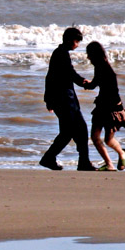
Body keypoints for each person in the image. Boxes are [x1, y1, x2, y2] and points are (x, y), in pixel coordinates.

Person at [40, 27, 96, 171]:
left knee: (78, 130)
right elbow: (69, 73)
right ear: (71, 40)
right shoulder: (61, 54)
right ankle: (50, 158)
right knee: (71, 131)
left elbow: (50, 77)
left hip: (65, 99)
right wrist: (84, 82)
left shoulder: (60, 53)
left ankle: (82, 162)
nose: (77, 45)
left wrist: (48, 99)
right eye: (77, 41)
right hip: (64, 100)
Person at [83, 41, 125, 171]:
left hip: (109, 107)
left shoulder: (101, 67)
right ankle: (110, 162)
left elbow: (95, 85)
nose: (88, 58)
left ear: (94, 55)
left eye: (89, 55)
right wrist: (90, 84)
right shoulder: (104, 66)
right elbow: (98, 83)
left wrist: (86, 84)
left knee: (102, 138)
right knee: (101, 138)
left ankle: (121, 154)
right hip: (107, 105)